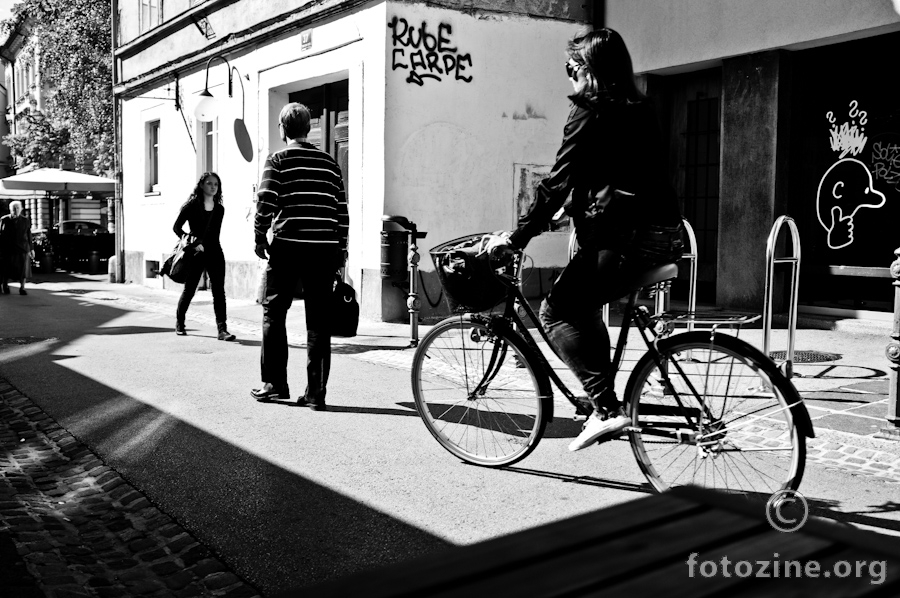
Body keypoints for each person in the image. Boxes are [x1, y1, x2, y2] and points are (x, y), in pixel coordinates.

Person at [482, 28, 684, 452]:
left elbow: (557, 180)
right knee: (586, 308)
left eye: (572, 68)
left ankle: (607, 410)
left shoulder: (589, 109)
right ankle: (602, 399)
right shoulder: (641, 107)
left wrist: (518, 237)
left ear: (589, 70)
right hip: (661, 232)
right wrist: (576, 207)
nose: (569, 77)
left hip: (620, 239)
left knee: (555, 311)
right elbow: (622, 172)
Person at [250, 103, 349, 410]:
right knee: (319, 320)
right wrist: (341, 250)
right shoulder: (330, 164)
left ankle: (275, 383)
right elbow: (340, 210)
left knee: (274, 312)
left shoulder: (277, 160)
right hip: (323, 249)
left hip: (288, 246)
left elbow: (266, 200)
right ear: (308, 129)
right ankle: (316, 392)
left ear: (282, 129)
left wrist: (259, 235)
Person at [172, 172, 236, 341]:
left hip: (215, 252)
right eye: (209, 183)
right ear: (201, 185)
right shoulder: (192, 206)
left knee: (219, 292)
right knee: (190, 289)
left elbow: (214, 235)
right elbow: (177, 227)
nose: (213, 187)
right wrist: (193, 243)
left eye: (216, 184)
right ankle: (180, 322)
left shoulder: (220, 209)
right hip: (196, 253)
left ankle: (222, 330)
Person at [0, 201, 34, 295]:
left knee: (23, 270)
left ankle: (22, 288)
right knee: (6, 269)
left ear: (21, 209)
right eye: (14, 208)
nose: (16, 210)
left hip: (22, 248)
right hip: (8, 249)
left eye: (17, 208)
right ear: (10, 209)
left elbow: (29, 235)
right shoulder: (4, 219)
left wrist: (31, 249)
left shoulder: (25, 220)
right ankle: (5, 286)